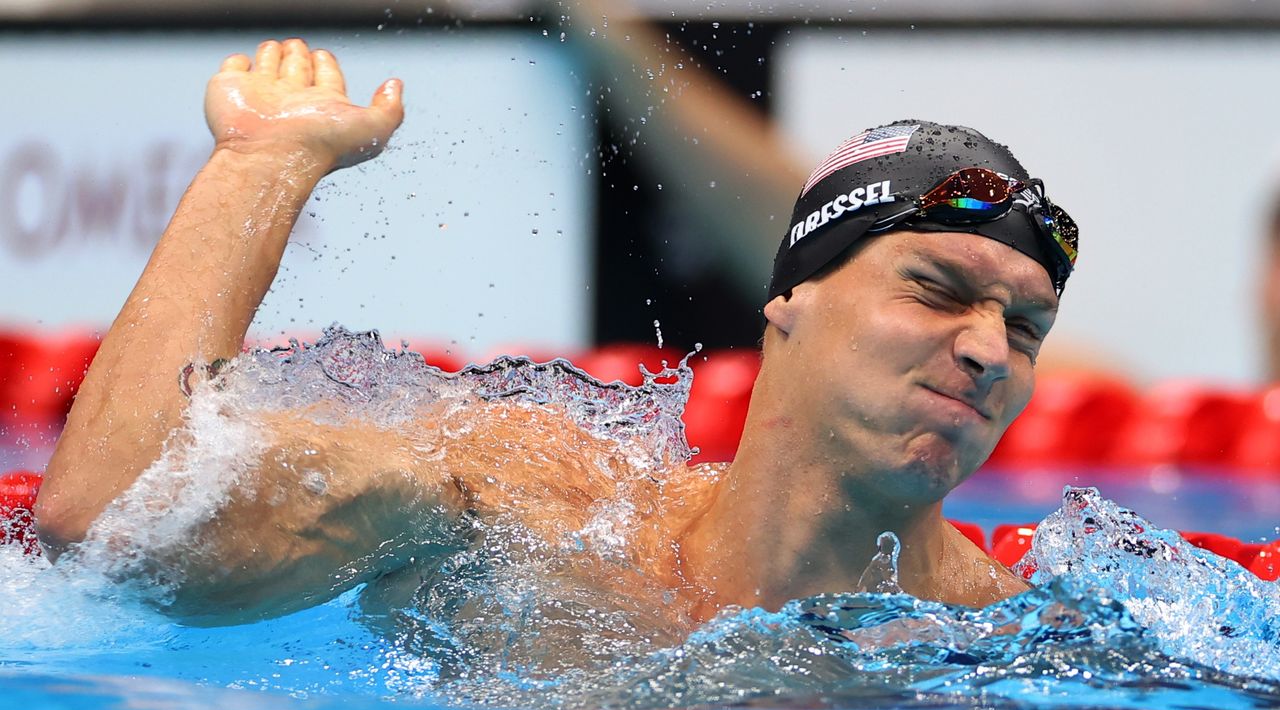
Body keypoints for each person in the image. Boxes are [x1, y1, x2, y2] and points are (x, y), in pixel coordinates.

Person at [33, 39, 1075, 627]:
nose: (989, 350)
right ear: (788, 301)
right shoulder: (521, 515)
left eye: (1024, 327)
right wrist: (259, 166)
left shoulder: (1007, 636)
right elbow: (115, 525)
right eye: (937, 289)